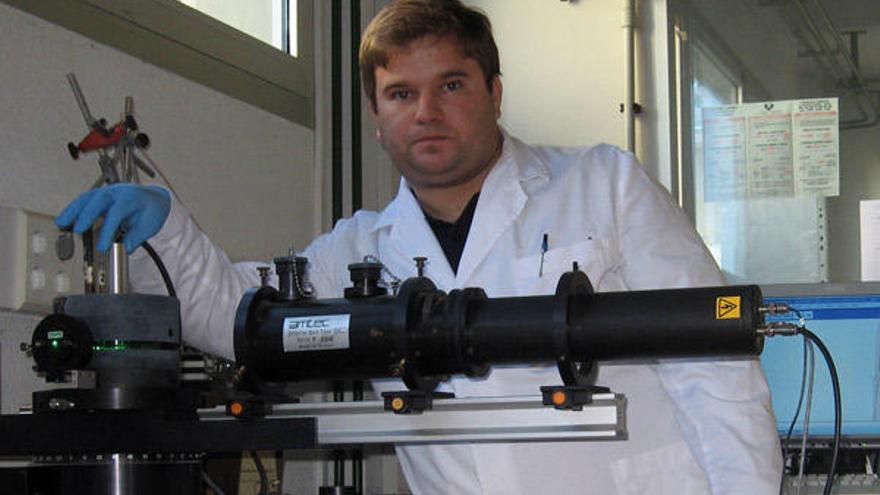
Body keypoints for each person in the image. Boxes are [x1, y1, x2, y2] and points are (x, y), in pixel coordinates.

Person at [56, 0, 783, 493]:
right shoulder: (360, 248)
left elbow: (712, 368)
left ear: (495, 93)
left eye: (452, 85)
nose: (427, 112)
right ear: (376, 116)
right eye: (401, 94)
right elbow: (241, 322)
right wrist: (170, 229)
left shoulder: (604, 184)